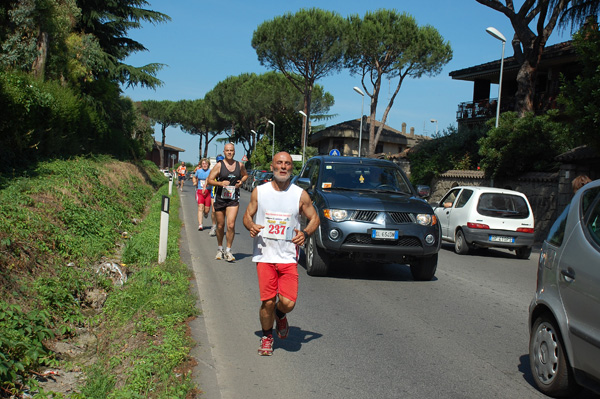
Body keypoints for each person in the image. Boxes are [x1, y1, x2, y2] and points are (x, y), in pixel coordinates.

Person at [243, 151, 320, 356]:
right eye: (279, 163)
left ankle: (280, 315)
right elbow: (247, 215)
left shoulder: (299, 194)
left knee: (288, 303)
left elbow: (315, 218)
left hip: (287, 257)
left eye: (287, 164)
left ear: (291, 168)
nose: (283, 167)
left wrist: (304, 233)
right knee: (267, 301)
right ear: (272, 166)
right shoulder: (260, 191)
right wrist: (251, 225)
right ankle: (267, 336)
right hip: (265, 255)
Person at [207, 144, 248, 261]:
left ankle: (229, 251)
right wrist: (220, 183)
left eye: (231, 150)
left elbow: (245, 175)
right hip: (220, 198)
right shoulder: (219, 166)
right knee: (220, 226)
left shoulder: (239, 165)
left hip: (233, 199)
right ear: (224, 152)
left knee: (231, 225)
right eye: (227, 151)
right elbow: (209, 180)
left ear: (234, 152)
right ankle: (220, 249)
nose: (229, 152)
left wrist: (241, 182)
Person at [193, 158, 212, 231]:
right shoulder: (198, 171)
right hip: (200, 191)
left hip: (208, 191)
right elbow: (194, 177)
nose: (205, 165)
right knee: (200, 207)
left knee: (206, 210)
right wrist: (194, 182)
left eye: (206, 164)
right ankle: (200, 225)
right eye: (203, 164)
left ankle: (206, 213)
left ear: (208, 165)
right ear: (201, 164)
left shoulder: (211, 171)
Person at [209, 154, 225, 236]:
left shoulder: (227, 169)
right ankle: (214, 226)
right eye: (218, 161)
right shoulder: (214, 170)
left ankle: (220, 226)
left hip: (225, 193)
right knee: (214, 210)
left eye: (221, 161)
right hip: (215, 191)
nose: (220, 163)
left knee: (223, 212)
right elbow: (209, 180)